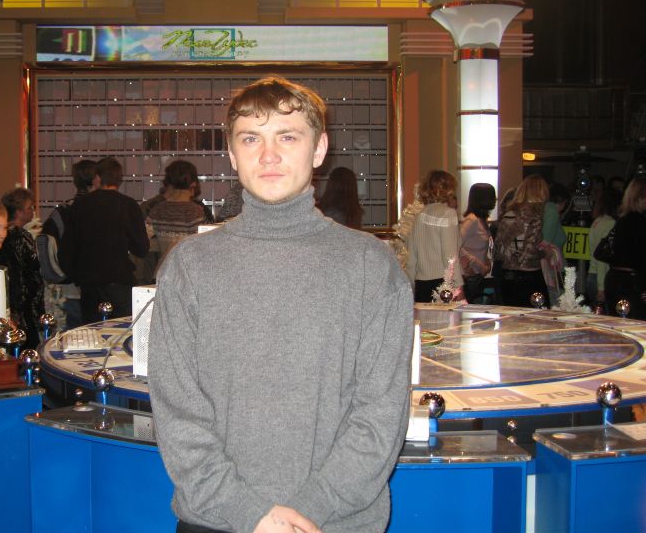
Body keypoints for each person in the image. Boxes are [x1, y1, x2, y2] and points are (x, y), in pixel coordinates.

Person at [149, 76, 413, 533]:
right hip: (219, 520)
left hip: (335, 523)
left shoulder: (372, 265)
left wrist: (310, 509)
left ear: (319, 148)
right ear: (232, 154)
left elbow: (381, 413)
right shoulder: (189, 266)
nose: (268, 155)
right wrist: (247, 511)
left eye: (287, 137)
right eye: (251, 138)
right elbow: (177, 412)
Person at [59, 157, 149, 321]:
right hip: (120, 280)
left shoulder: (80, 205)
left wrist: (75, 276)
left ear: (98, 178)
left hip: (90, 283)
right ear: (119, 180)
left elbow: (68, 248)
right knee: (120, 330)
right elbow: (141, 248)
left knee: (92, 330)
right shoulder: (128, 205)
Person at [38, 159, 96, 331]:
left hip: (68, 288)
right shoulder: (101, 209)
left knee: (71, 338)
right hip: (98, 288)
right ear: (97, 179)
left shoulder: (62, 211)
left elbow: (46, 240)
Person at [0, 187, 44, 348]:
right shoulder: (19, 237)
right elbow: (19, 275)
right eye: (29, 208)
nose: (33, 211)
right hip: (24, 308)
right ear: (19, 212)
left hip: (14, 304)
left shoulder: (5, 236)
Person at [405, 169, 463, 302]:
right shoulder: (448, 213)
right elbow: (450, 257)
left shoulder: (419, 216)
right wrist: (458, 286)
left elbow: (411, 260)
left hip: (421, 285)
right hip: (443, 286)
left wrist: (411, 289)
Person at [495, 175, 551, 308]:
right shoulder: (534, 216)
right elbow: (529, 252)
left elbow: (498, 249)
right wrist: (544, 253)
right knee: (537, 314)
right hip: (529, 275)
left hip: (507, 274)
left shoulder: (508, 214)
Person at [147, 159, 209, 273]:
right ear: (193, 183)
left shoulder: (156, 210)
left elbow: (146, 245)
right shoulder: (197, 212)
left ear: (168, 182)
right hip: (187, 274)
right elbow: (203, 248)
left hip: (161, 272)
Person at [604, 178, 646, 320]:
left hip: (614, 278)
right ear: (641, 197)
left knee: (616, 321)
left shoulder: (621, 220)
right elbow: (641, 257)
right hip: (632, 282)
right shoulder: (640, 222)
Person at [460, 183, 496, 304]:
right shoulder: (472, 220)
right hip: (471, 275)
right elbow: (457, 245)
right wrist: (479, 265)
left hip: (477, 276)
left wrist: (486, 261)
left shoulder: (481, 220)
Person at [587, 186, 621, 309]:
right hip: (601, 277)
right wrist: (601, 287)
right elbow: (602, 258)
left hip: (592, 274)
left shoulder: (597, 221)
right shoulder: (610, 224)